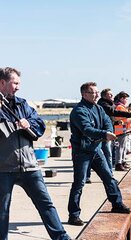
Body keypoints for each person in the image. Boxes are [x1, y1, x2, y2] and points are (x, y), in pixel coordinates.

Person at [0, 67, 70, 240]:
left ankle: (61, 237)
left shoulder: (23, 104)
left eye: (19, 83)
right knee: (2, 210)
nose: (18, 87)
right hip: (3, 169)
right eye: (15, 83)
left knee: (46, 204)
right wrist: (13, 126)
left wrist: (28, 124)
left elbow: (39, 125)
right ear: (2, 83)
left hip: (30, 166)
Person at [68, 82, 130, 226]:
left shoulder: (98, 108)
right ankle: (73, 214)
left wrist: (109, 131)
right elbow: (86, 129)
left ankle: (117, 204)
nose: (96, 95)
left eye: (97, 92)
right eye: (93, 93)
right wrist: (104, 134)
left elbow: (107, 122)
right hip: (81, 153)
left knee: (109, 177)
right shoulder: (78, 111)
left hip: (96, 150)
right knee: (79, 183)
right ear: (84, 94)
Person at [113, 91, 131, 171]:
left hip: (124, 128)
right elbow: (125, 119)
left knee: (123, 146)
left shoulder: (122, 107)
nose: (127, 100)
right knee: (120, 147)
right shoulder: (120, 107)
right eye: (126, 99)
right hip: (120, 128)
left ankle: (122, 161)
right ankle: (118, 163)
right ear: (121, 98)